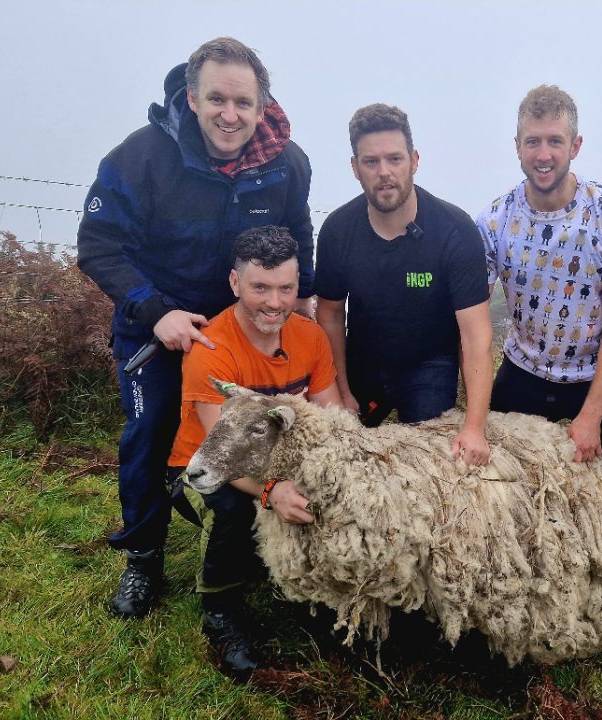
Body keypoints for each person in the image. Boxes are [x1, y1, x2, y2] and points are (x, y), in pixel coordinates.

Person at [76, 37, 315, 620]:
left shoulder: (288, 164)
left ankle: (253, 539)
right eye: (217, 99)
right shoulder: (142, 155)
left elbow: (298, 237)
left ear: (262, 106)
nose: (229, 115)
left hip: (241, 329)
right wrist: (156, 312)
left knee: (261, 432)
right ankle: (143, 557)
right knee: (152, 432)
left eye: (243, 102)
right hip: (156, 320)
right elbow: (97, 245)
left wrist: (299, 301)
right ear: (192, 96)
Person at [166, 225, 339, 677]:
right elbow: (224, 454)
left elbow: (333, 418)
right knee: (235, 511)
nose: (274, 302)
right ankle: (220, 610)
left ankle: (316, 591)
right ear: (235, 283)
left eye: (286, 288)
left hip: (278, 456)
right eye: (260, 287)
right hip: (204, 464)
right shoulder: (212, 350)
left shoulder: (311, 337)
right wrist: (271, 491)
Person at [314, 104, 493, 465]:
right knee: (343, 460)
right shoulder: (337, 231)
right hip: (363, 362)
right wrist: (342, 392)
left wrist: (475, 426)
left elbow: (476, 336)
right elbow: (330, 315)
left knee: (426, 466)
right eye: (371, 162)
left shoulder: (454, 230)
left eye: (394, 159)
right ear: (354, 167)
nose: (384, 173)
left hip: (428, 364)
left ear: (414, 160)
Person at [477, 85, 602, 463]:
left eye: (555, 141)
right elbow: (475, 318)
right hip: (523, 375)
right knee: (507, 494)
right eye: (533, 142)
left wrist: (592, 415)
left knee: (598, 501)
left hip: (596, 380)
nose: (544, 154)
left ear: (576, 146)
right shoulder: (493, 222)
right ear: (517, 146)